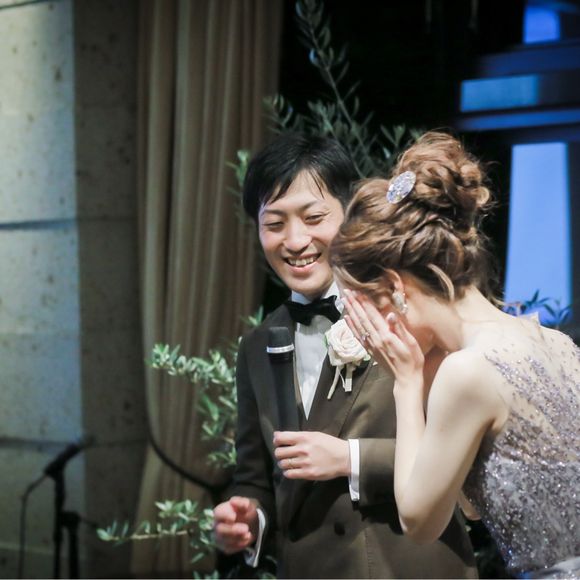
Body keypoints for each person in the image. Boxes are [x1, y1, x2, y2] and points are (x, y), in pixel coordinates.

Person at [212, 132, 477, 579]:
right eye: (274, 224)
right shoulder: (256, 345)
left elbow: (462, 452)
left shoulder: (409, 311)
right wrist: (249, 519)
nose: (295, 240)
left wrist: (349, 458)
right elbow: (256, 477)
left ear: (350, 212)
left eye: (313, 217)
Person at [330, 131, 580, 579]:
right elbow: (472, 505)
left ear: (395, 287)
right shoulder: (554, 342)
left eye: (365, 309)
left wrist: (407, 384)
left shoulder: (469, 372)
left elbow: (419, 521)